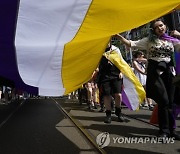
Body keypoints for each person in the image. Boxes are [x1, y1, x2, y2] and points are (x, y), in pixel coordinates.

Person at [116, 18, 180, 139]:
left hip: (169, 73)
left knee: (171, 103)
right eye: (157, 27)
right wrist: (119, 37)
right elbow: (131, 44)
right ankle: (163, 131)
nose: (160, 28)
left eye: (161, 25)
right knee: (164, 101)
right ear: (154, 30)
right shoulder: (149, 41)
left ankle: (172, 130)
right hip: (156, 73)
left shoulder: (172, 41)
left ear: (165, 26)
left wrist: (179, 35)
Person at [98, 41, 124, 123]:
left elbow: (121, 61)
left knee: (118, 94)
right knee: (107, 95)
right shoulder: (99, 50)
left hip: (116, 74)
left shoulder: (115, 49)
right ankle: (108, 114)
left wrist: (121, 72)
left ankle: (118, 111)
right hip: (105, 75)